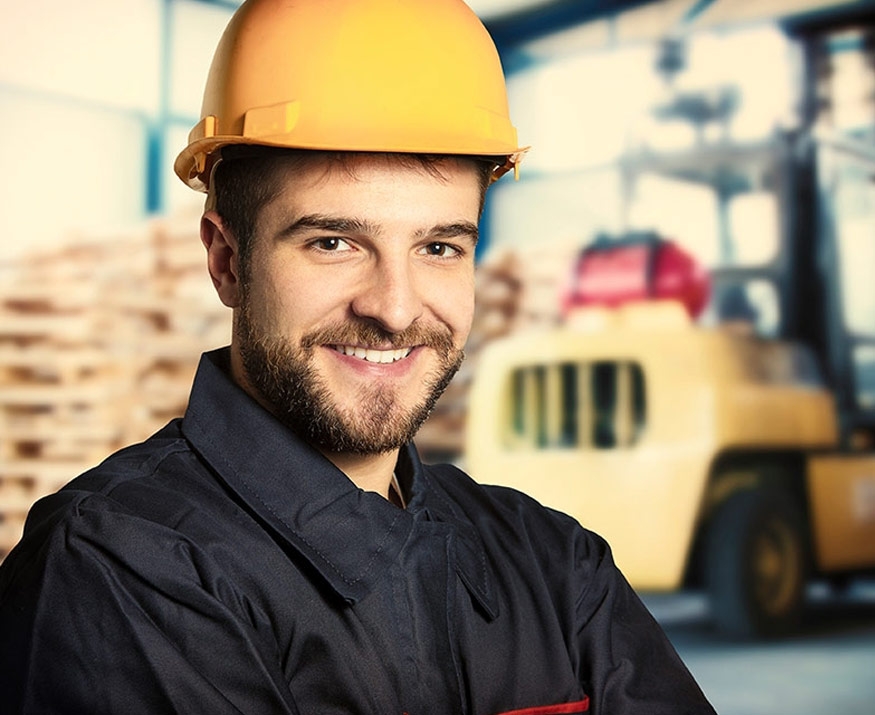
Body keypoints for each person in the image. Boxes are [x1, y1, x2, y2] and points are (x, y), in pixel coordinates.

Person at [0, 1, 716, 713]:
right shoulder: (116, 565)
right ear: (226, 259)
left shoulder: (554, 564)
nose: (396, 308)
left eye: (438, 247)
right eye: (333, 242)